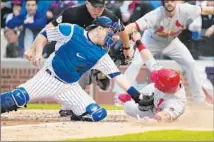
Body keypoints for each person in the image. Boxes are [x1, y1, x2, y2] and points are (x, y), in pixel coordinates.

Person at [1, 16, 141, 122]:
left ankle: (75, 112)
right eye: (109, 32)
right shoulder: (72, 31)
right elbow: (44, 35)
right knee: (17, 98)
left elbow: (118, 76)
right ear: (99, 29)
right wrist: (38, 53)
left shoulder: (101, 54)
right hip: (49, 77)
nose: (112, 36)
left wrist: (137, 96)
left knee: (97, 114)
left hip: (69, 87)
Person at [24, 0, 134, 117]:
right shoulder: (73, 13)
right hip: (71, 52)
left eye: (100, 7)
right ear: (87, 3)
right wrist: (32, 49)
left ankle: (100, 74)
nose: (97, 10)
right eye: (94, 6)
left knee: (115, 55)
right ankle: (72, 103)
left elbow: (123, 31)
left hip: (97, 53)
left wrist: (127, 48)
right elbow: (48, 29)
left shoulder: (109, 16)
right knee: (80, 71)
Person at [114, 0, 214, 105]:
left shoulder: (186, 9)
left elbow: (207, 10)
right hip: (151, 41)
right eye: (166, 1)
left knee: (191, 64)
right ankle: (119, 98)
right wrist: (122, 33)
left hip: (172, 42)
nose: (169, 3)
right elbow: (134, 26)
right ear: (163, 3)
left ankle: (199, 100)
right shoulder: (156, 14)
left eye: (172, 1)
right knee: (135, 64)